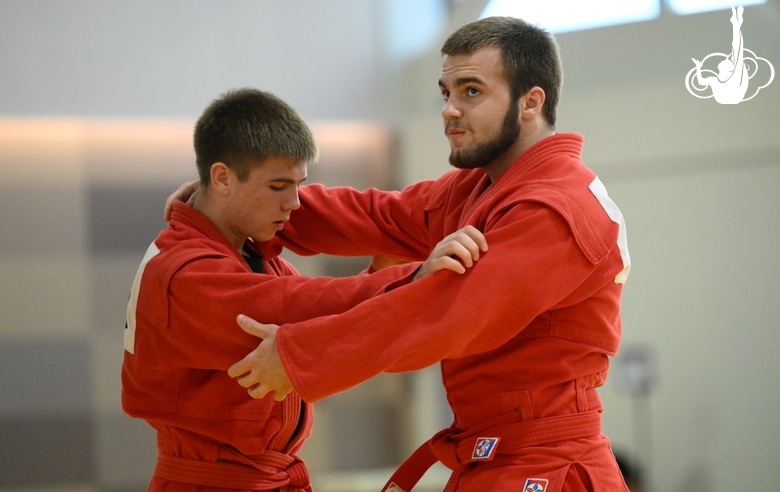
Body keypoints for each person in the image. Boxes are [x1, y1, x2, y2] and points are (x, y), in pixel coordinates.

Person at [167, 16, 630, 491]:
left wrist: (300, 356)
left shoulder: (555, 208)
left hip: (545, 460)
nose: (449, 110)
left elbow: (447, 314)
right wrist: (235, 203)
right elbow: (374, 216)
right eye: (445, 93)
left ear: (531, 102)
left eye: (471, 91)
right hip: (492, 454)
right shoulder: (480, 187)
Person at [125, 88, 486, 492]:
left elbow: (328, 320)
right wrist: (411, 280)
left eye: (299, 184)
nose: (295, 203)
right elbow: (297, 306)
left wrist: (388, 276)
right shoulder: (184, 271)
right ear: (222, 178)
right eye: (278, 186)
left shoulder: (250, 255)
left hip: (262, 476)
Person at [692, 6, 748, 104]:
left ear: (729, 69)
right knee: (737, 50)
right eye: (728, 60)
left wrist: (736, 25)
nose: (725, 59)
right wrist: (698, 67)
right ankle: (736, 23)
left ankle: (736, 23)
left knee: (737, 50)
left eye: (727, 61)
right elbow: (701, 82)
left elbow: (737, 47)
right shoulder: (715, 80)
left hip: (733, 96)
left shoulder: (734, 77)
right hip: (728, 98)